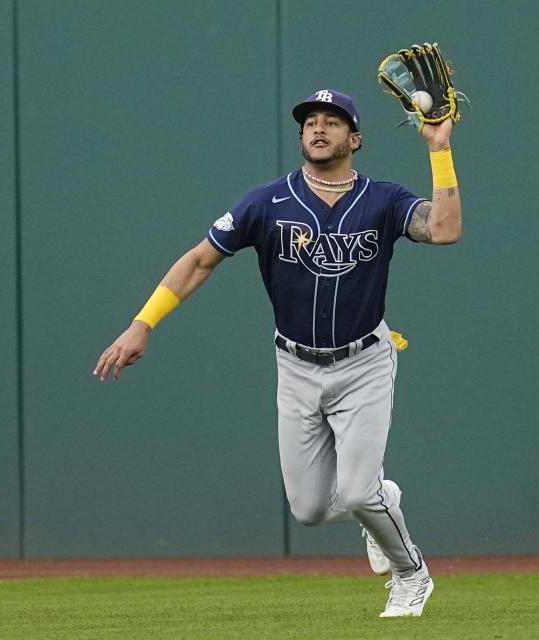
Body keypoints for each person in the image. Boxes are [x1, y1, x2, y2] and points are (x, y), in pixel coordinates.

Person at [93, 89, 461, 617]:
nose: (318, 128)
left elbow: (446, 229)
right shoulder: (267, 202)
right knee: (310, 509)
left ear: (354, 138)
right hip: (296, 364)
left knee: (357, 494)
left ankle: (412, 575)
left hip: (364, 362)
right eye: (310, 121)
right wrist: (142, 324)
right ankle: (384, 503)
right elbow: (199, 261)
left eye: (332, 122)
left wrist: (438, 148)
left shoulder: (384, 199)